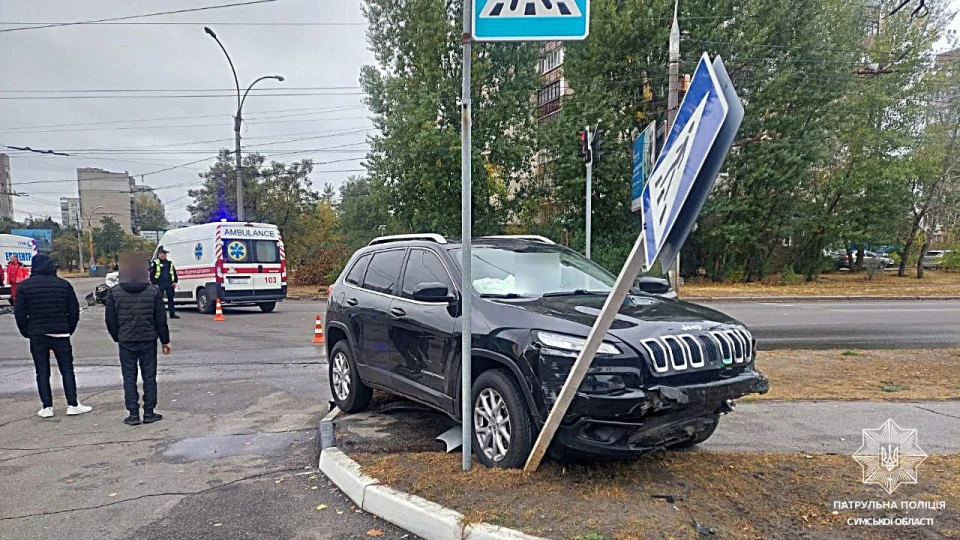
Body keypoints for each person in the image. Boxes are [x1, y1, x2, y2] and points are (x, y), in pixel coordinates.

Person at [14, 253, 92, 418]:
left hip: (37, 334)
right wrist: (68, 329)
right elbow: (74, 311)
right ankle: (72, 404)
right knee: (67, 370)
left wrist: (27, 332)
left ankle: (47, 407)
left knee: (42, 371)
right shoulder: (63, 285)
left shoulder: (24, 287)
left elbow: (20, 314)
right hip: (61, 332)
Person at [105, 253, 172, 426]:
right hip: (148, 339)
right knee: (149, 376)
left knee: (129, 377)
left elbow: (110, 319)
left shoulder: (114, 292)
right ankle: (149, 412)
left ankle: (133, 414)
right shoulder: (153, 291)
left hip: (126, 340)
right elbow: (160, 319)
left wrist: (117, 336)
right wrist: (165, 340)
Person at [149, 248, 179, 319]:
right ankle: (159, 314)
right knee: (159, 299)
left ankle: (172, 314)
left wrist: (175, 281)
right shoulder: (156, 263)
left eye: (166, 254)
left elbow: (174, 273)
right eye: (164, 253)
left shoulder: (169, 263)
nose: (165, 255)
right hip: (160, 283)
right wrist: (154, 283)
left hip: (169, 283)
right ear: (159, 254)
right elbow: (152, 274)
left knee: (171, 299)